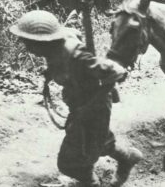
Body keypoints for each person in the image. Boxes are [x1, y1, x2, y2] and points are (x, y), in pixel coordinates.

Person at [9, 10, 143, 187]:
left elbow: (115, 72)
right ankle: (128, 158)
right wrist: (52, 72)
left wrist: (97, 98)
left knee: (69, 162)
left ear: (43, 41)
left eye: (28, 42)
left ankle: (90, 182)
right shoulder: (53, 49)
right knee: (96, 140)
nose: (26, 47)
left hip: (94, 106)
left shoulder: (76, 54)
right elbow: (68, 68)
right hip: (79, 103)